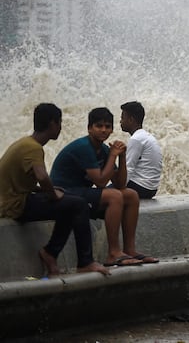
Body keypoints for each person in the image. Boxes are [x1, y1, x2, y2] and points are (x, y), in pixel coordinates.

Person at [0, 104, 109, 276]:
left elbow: (20, 180)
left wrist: (45, 191)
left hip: (15, 200)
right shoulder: (33, 147)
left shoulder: (25, 143)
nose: (60, 127)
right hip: (15, 206)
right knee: (78, 205)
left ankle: (50, 253)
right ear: (52, 124)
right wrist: (53, 194)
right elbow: (42, 176)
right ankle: (85, 262)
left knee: (69, 202)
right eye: (60, 123)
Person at [50, 107, 157, 267]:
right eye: (99, 126)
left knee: (131, 195)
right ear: (89, 128)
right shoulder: (84, 147)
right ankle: (113, 253)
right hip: (63, 193)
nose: (103, 130)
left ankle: (130, 250)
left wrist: (121, 158)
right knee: (114, 196)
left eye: (107, 126)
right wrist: (113, 154)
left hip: (80, 193)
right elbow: (100, 182)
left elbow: (120, 183)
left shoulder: (105, 149)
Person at [119, 101, 163, 199]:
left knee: (104, 195)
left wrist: (116, 188)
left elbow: (128, 169)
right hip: (151, 189)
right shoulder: (146, 136)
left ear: (131, 120)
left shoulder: (136, 139)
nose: (120, 121)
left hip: (140, 188)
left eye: (122, 117)